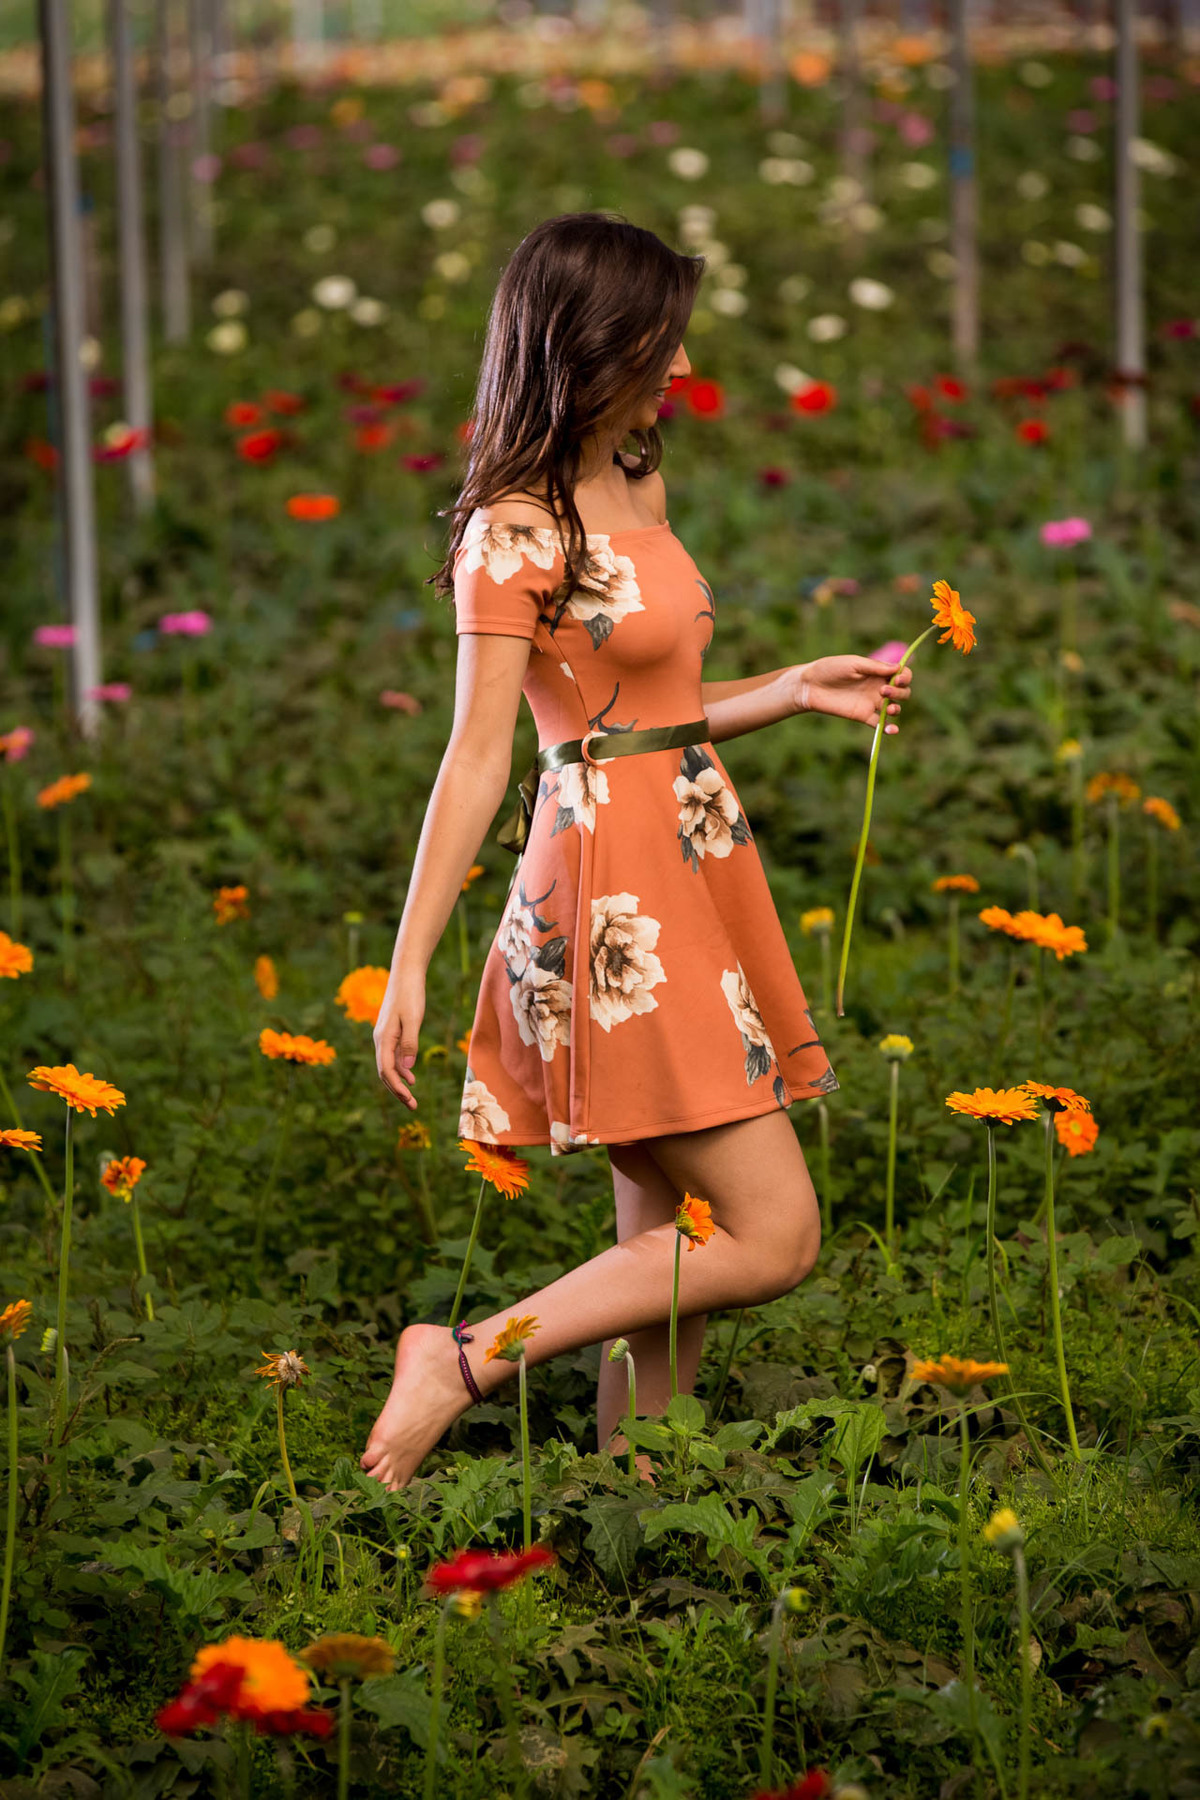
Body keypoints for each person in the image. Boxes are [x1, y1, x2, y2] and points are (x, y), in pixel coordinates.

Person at [362, 213, 912, 1490]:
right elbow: (484, 759)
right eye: (660, 341)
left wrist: (788, 688)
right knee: (772, 1235)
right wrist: (411, 964)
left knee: (672, 1235)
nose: (679, 365)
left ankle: (638, 1507)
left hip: (691, 848)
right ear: (588, 344)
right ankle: (462, 1357)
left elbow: (640, 719)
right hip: (611, 891)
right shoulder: (512, 530)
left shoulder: (637, 477)